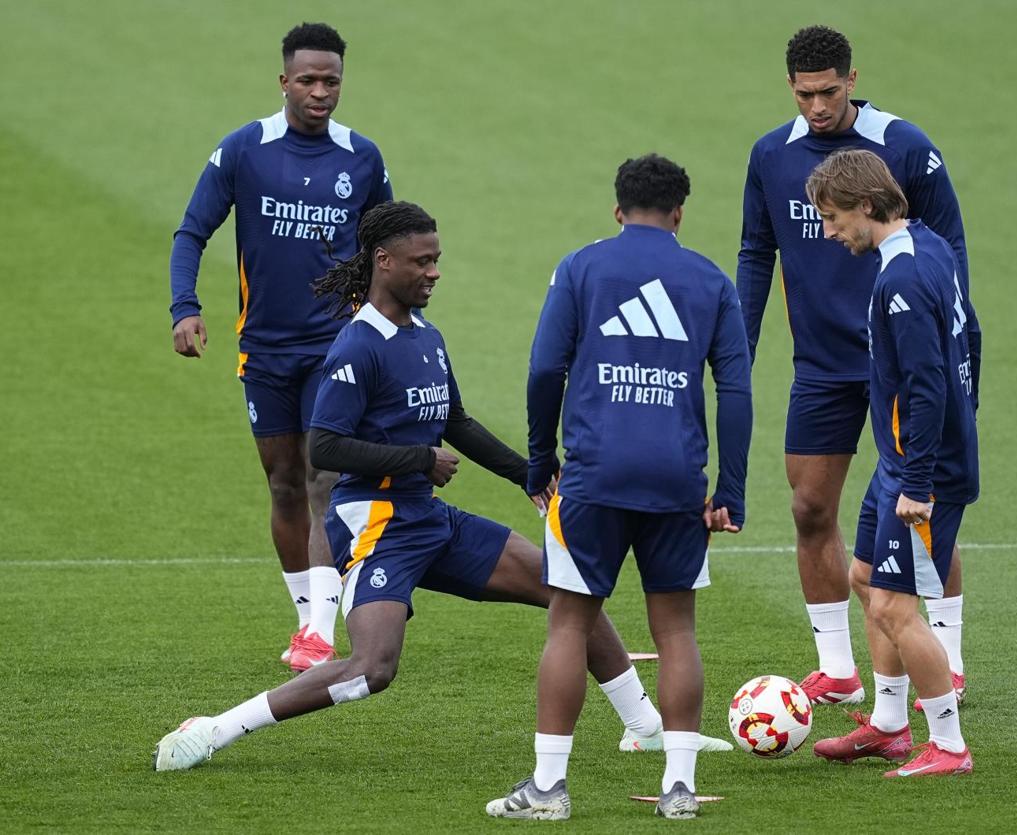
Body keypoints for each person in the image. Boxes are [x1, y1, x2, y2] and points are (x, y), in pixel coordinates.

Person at [153, 200, 731, 774]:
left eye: (437, 260)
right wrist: (416, 459)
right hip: (378, 522)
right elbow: (322, 449)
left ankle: (645, 728)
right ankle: (215, 728)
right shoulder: (358, 345)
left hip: (427, 517)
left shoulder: (425, 335)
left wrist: (530, 472)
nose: (435, 272)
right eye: (422, 262)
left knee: (565, 587)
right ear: (384, 261)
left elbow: (455, 420)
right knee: (372, 669)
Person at [487, 155, 752, 821]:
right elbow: (738, 390)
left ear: (617, 209)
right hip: (677, 481)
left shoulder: (581, 267)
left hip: (594, 475)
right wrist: (731, 489)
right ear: (680, 213)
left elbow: (546, 366)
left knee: (569, 621)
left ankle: (549, 788)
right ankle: (679, 787)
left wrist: (541, 458)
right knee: (676, 629)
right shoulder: (713, 282)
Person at [736, 24, 979, 707]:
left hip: (903, 363)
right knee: (811, 506)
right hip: (822, 364)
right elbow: (757, 253)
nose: (818, 106)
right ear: (791, 86)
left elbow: (946, 247)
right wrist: (739, 345)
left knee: (917, 506)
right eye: (806, 94)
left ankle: (947, 656)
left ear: (852, 78)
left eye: (830, 91)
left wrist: (952, 345)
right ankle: (838, 669)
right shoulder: (770, 156)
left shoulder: (903, 145)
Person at [168, 23, 394, 671]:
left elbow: (392, 245)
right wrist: (186, 308)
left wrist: (386, 327)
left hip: (336, 348)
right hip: (263, 351)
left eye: (332, 81)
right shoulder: (246, 150)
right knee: (285, 482)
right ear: (284, 82)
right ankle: (308, 614)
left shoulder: (362, 157)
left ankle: (321, 629)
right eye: (309, 80)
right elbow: (192, 231)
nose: (321, 92)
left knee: (324, 477)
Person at [804, 149, 977, 776]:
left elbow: (926, 385)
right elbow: (971, 337)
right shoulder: (930, 247)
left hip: (918, 469)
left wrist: (921, 479)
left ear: (869, 207)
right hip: (903, 459)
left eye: (833, 218)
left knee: (893, 607)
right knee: (864, 577)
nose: (828, 232)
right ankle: (888, 724)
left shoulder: (901, 278)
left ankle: (949, 746)